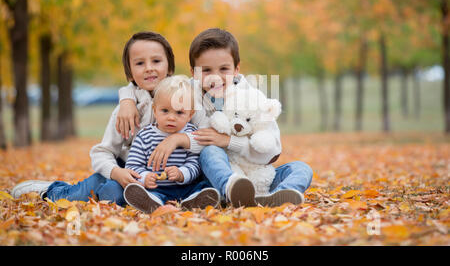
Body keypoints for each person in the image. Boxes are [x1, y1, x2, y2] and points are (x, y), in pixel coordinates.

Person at [117, 28, 314, 207]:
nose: (215, 77)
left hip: (259, 173)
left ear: (237, 69)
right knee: (210, 151)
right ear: (193, 72)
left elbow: (272, 152)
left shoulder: (253, 97)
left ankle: (277, 196)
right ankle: (231, 189)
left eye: (224, 69)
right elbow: (159, 87)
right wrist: (126, 98)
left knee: (301, 168)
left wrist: (229, 141)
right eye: (207, 70)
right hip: (216, 175)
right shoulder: (187, 91)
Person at [11, 31, 208, 207]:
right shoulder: (125, 110)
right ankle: (52, 190)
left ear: (170, 66)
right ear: (130, 72)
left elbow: (205, 141)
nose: (149, 68)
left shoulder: (187, 97)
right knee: (106, 191)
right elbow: (102, 152)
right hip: (132, 172)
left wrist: (177, 139)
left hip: (180, 175)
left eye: (156, 61)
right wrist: (116, 172)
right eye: (140, 63)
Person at [123, 75, 220, 213]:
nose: (171, 117)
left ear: (190, 115)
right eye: (165, 111)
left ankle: (192, 202)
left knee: (203, 186)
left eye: (179, 112)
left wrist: (181, 173)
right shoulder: (145, 136)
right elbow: (132, 165)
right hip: (156, 188)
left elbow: (195, 164)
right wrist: (145, 177)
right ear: (155, 110)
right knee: (149, 193)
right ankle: (152, 202)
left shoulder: (191, 135)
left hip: (186, 186)